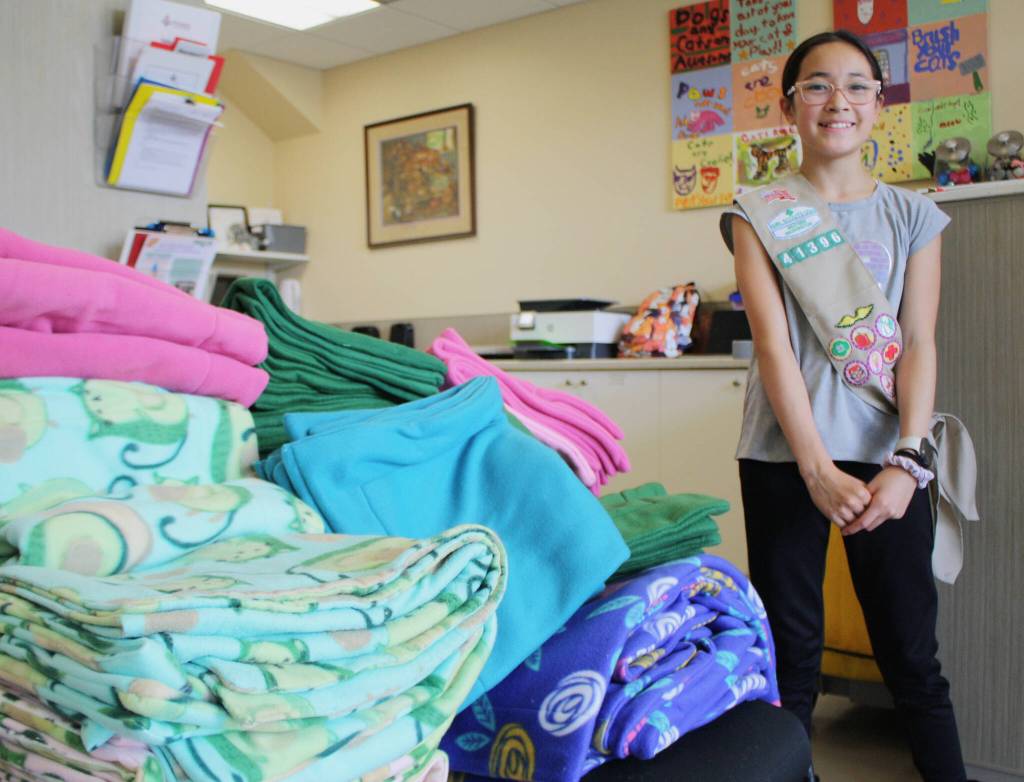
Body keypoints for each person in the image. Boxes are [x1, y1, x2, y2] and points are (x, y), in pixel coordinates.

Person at [720, 30, 969, 782]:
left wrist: (910, 460)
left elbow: (920, 341)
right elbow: (773, 351)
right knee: (790, 659)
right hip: (784, 457)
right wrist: (815, 468)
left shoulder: (912, 214)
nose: (840, 101)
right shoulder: (757, 213)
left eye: (859, 85)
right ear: (790, 104)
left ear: (879, 104)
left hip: (892, 460)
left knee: (913, 660)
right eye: (818, 85)